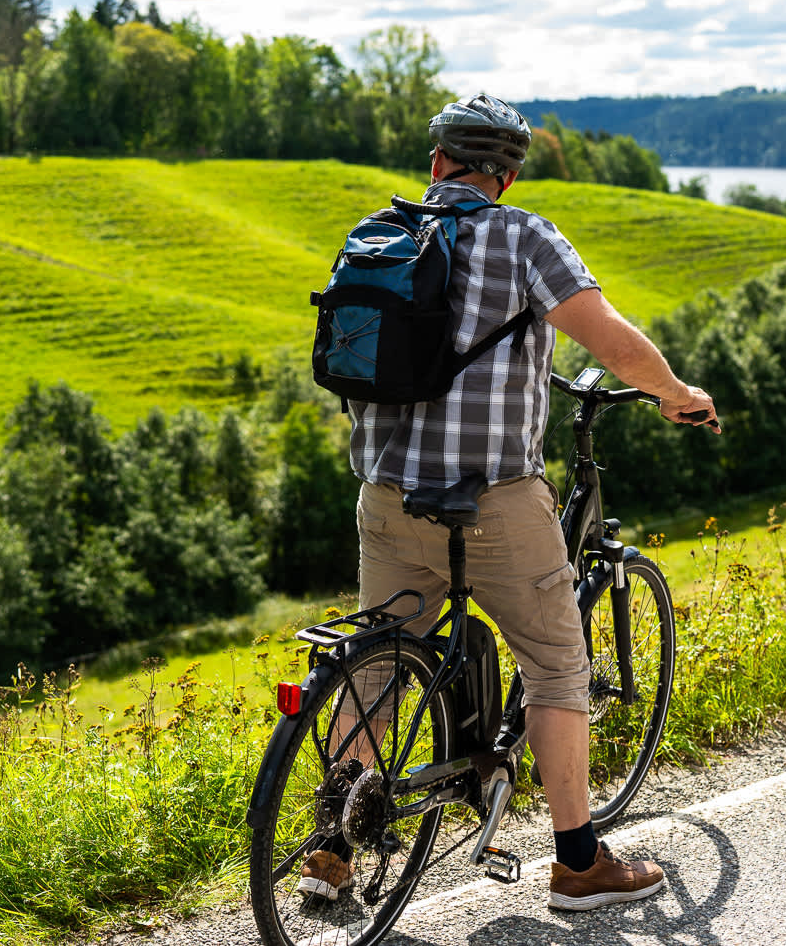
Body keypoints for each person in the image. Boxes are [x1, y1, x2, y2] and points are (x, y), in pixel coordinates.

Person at [300, 93, 719, 912]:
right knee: (560, 663)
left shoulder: (378, 235)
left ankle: (329, 850)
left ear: (436, 164)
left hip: (386, 496)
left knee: (381, 664)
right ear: (509, 173)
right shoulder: (523, 233)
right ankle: (578, 861)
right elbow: (606, 336)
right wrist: (675, 391)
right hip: (490, 504)